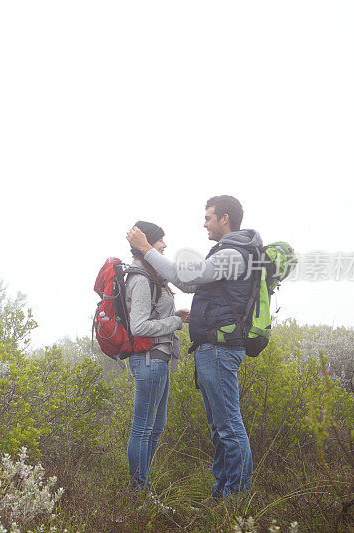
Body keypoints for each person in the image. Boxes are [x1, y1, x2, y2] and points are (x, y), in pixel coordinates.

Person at [127, 196, 261, 498]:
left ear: (224, 218)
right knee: (220, 427)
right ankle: (223, 493)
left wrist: (147, 248)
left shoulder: (233, 254)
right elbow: (188, 283)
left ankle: (236, 497)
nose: (204, 224)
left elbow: (186, 279)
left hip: (220, 350)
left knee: (228, 426)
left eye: (209, 218)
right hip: (213, 350)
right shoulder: (229, 252)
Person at [124, 221, 189, 493]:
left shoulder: (153, 277)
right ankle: (139, 490)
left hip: (158, 360)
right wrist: (174, 322)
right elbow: (138, 326)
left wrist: (174, 317)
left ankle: (142, 485)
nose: (164, 245)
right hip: (149, 360)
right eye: (160, 240)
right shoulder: (140, 278)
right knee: (143, 428)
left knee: (156, 427)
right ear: (147, 243)